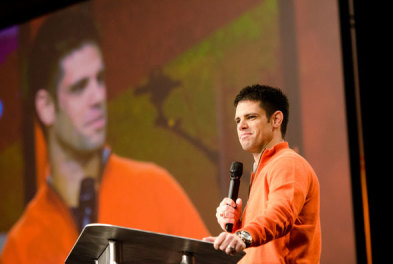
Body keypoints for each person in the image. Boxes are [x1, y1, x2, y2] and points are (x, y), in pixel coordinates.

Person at [0, 8, 208, 264]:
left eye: (99, 79)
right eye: (79, 87)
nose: (98, 97)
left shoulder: (157, 190)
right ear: (46, 107)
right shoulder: (22, 246)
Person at [204, 84, 321, 263]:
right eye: (237, 120)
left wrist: (242, 236)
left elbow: (280, 214)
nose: (241, 126)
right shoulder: (264, 169)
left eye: (250, 117)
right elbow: (266, 244)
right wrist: (236, 230)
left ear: (276, 120)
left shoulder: (288, 163)